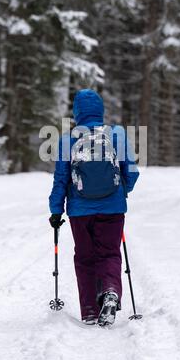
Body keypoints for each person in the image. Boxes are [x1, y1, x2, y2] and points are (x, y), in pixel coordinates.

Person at [49, 89, 139, 327]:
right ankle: (110, 291)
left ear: (77, 112)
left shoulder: (67, 139)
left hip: (80, 210)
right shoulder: (117, 134)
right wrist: (122, 191)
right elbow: (131, 170)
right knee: (109, 253)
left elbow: (61, 178)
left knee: (85, 257)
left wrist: (56, 209)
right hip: (113, 207)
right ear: (101, 110)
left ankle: (89, 310)